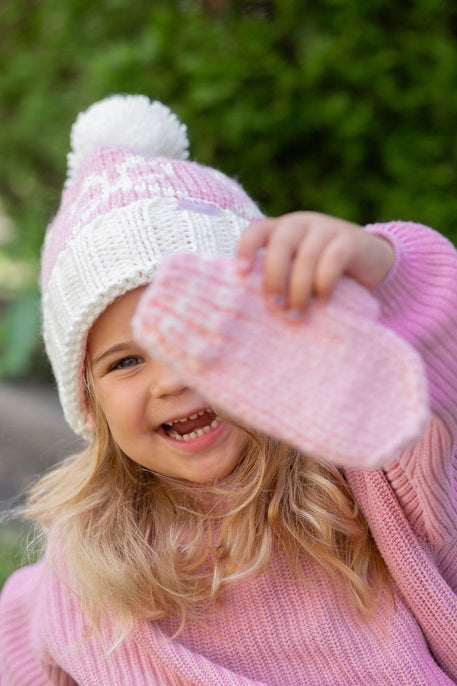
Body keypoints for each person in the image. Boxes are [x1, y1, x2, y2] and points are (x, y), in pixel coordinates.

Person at [0, 94, 456, 685]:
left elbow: (431, 383)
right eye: (126, 361)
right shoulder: (83, 575)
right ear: (90, 403)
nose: (173, 378)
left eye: (202, 336)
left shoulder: (363, 473)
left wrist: (388, 278)